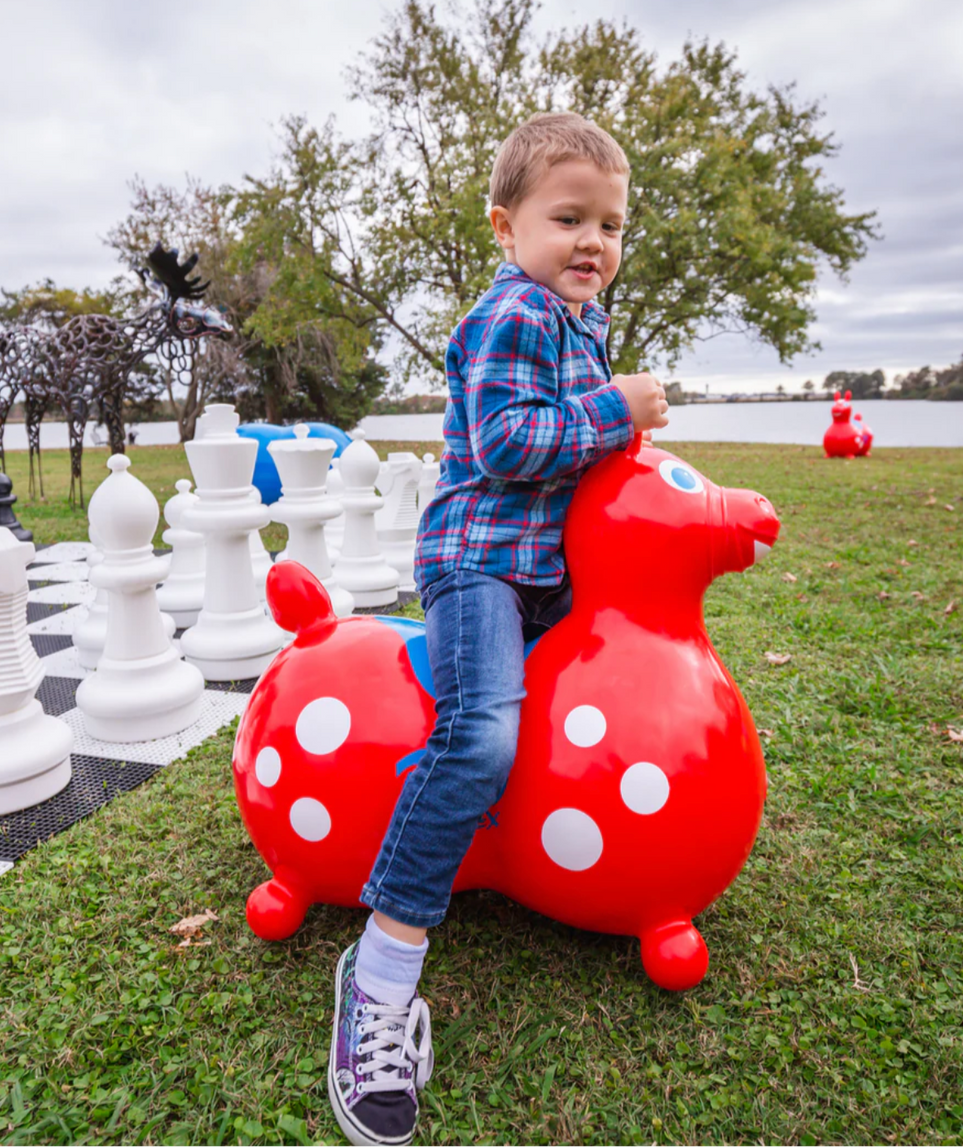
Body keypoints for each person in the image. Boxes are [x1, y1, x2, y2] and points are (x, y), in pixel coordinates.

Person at [328, 111, 670, 1147]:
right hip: (478, 563)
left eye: (610, 224)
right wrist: (619, 406)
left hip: (548, 573)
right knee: (479, 734)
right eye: (568, 217)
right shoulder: (512, 312)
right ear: (505, 224)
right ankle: (378, 977)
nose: (593, 243)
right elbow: (515, 444)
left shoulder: (581, 319)